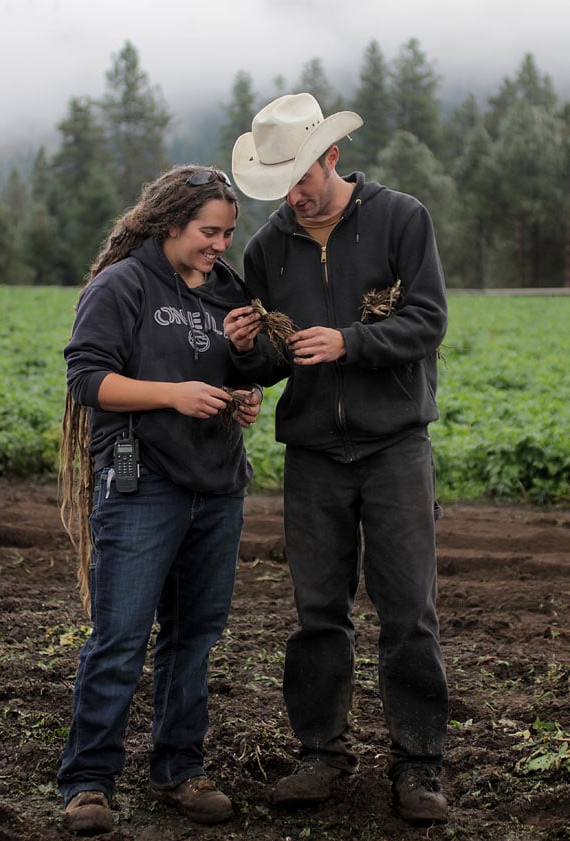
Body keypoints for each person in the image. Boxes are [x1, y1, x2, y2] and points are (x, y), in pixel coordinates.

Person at [223, 93, 450, 824]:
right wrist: (246, 346)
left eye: (302, 178)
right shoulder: (265, 247)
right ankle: (320, 752)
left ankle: (418, 765)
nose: (293, 196)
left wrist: (352, 340)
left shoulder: (400, 219)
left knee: (408, 611)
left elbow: (426, 321)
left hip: (394, 447)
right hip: (314, 452)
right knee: (317, 612)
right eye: (279, 184)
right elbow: (267, 362)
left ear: (332, 155)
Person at [57, 165, 262, 836]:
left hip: (217, 483)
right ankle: (88, 780)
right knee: (118, 638)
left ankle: (179, 767)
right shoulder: (122, 286)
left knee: (193, 637)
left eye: (228, 233)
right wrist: (172, 392)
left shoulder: (226, 289)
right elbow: (89, 379)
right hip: (142, 483)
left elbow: (232, 366)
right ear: (169, 223)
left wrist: (243, 391)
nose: (219, 244)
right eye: (209, 231)